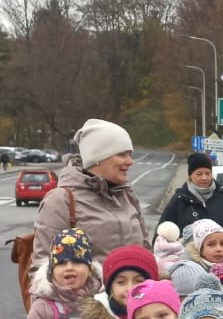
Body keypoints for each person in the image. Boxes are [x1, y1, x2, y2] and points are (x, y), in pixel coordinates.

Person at [29, 119, 147, 284]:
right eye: (122, 154)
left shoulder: (127, 196)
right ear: (98, 158)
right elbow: (42, 270)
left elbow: (146, 253)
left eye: (130, 154)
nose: (129, 161)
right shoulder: (62, 200)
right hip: (88, 300)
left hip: (136, 299)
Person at [159, 151, 223, 269]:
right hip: (189, 267)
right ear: (190, 175)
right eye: (199, 174)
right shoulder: (179, 200)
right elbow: (162, 235)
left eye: (207, 173)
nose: (204, 178)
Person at [184, 219, 223, 289]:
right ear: (200, 249)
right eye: (211, 244)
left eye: (222, 244)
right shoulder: (195, 272)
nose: (219, 249)